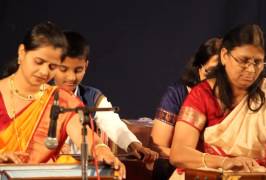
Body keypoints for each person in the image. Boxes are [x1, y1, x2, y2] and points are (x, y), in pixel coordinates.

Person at [169, 24, 266, 176]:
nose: (251, 70)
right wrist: (224, 162)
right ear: (225, 56)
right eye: (244, 61)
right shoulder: (203, 95)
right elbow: (179, 153)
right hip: (215, 173)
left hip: (256, 175)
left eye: (258, 62)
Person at [0, 22, 125, 179]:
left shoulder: (61, 101)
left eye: (52, 66)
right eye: (38, 62)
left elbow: (86, 137)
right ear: (22, 52)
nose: (44, 72)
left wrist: (101, 150)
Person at [53, 31, 158, 163]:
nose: (71, 77)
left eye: (78, 70)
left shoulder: (91, 97)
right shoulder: (40, 97)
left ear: (86, 65)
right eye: (63, 69)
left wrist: (134, 145)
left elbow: (113, 123)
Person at [150, 38, 221, 179]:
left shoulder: (235, 99)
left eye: (222, 73)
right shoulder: (177, 95)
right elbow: (157, 147)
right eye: (211, 72)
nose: (216, 80)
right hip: (184, 169)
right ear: (199, 68)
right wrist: (194, 158)